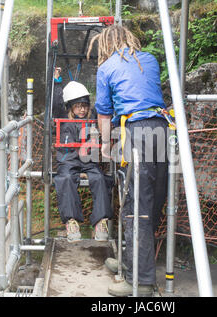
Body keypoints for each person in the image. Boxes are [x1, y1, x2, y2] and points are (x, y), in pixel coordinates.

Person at [87, 24, 169, 296]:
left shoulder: (107, 67)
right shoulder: (149, 59)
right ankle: (129, 262)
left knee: (135, 207)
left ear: (106, 44)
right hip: (162, 129)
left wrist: (107, 146)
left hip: (136, 133)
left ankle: (140, 282)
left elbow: (103, 113)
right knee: (152, 203)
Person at [52, 80, 113, 243]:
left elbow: (104, 110)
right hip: (68, 161)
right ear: (71, 107)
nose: (82, 109)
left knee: (100, 179)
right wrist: (57, 83)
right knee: (65, 179)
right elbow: (56, 103)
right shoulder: (63, 118)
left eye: (84, 106)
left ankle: (100, 222)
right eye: (78, 106)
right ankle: (71, 222)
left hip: (88, 162)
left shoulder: (92, 119)